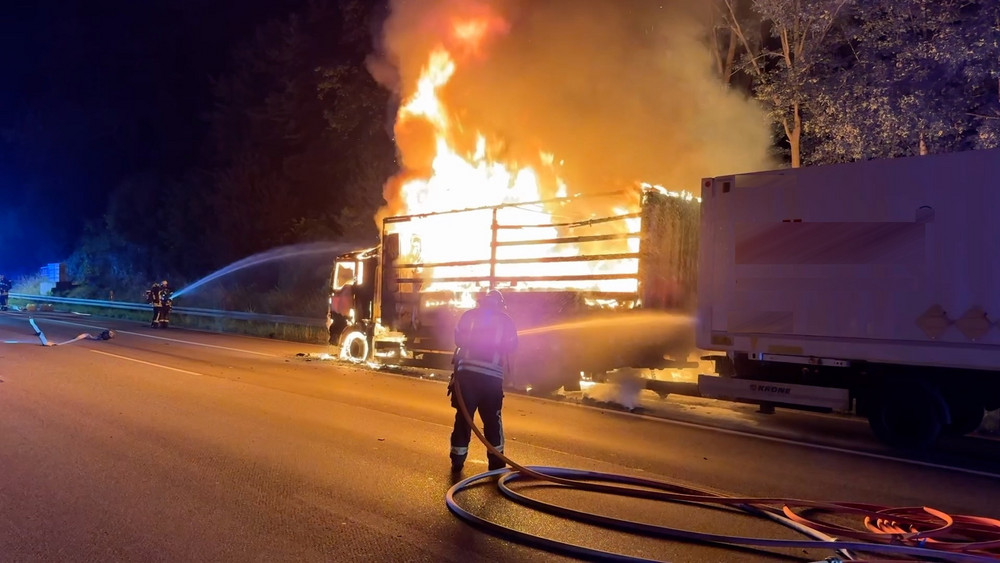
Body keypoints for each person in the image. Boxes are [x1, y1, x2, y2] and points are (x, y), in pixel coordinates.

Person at [448, 289, 518, 473]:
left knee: (463, 419)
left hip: (466, 377)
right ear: (499, 304)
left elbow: (458, 339)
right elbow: (512, 345)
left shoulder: (468, 316)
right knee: (492, 421)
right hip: (491, 380)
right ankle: (496, 464)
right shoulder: (506, 321)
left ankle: (457, 460)